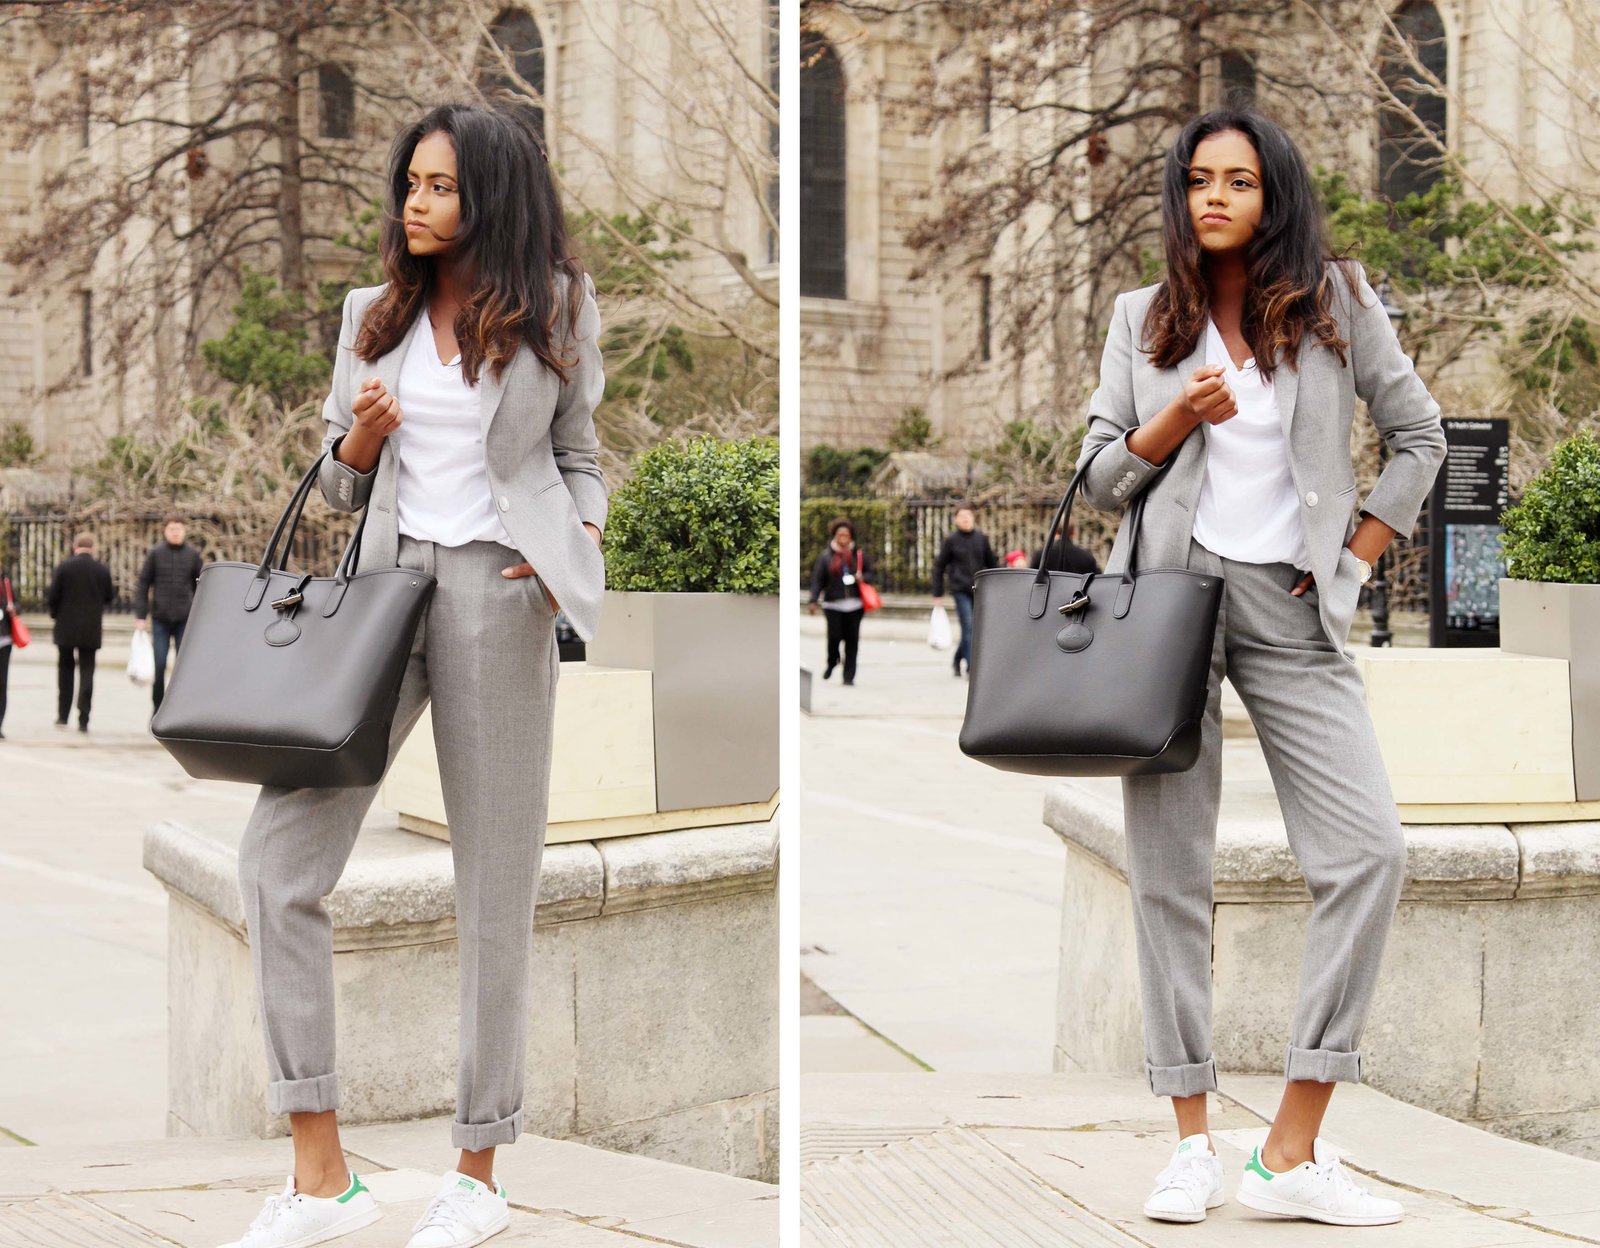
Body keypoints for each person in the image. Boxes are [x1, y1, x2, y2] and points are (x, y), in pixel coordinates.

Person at [225, 103, 608, 1248]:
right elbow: (338, 494)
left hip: (499, 592)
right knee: (274, 864)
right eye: (412, 184)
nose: (417, 202)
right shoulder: (368, 317)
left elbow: (581, 456)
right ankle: (320, 1170)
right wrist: (361, 438)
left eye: (441, 186)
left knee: (495, 891)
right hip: (382, 598)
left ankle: (478, 1172)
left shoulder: (556, 308)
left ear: (489, 194)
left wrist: (564, 556)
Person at [1075, 106, 1444, 1228]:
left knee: (1368, 850)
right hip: (1168, 613)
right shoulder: (1143, 318)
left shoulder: (1335, 304)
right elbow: (1094, 477)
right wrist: (1170, 419)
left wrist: (1351, 560)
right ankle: (1189, 1139)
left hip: (1290, 605)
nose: (1216, 197)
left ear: (1272, 194)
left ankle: (1290, 1146)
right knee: (1168, 874)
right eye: (1198, 180)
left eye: (1238, 179)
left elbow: (1418, 434)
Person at [133, 514, 204, 711]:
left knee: (183, 667)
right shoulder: (155, 553)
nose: (175, 532)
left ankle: (181, 708)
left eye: (178, 529)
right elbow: (143, 584)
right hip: (160, 619)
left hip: (184, 619)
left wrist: (199, 614)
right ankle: (158, 708)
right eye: (171, 529)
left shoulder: (192, 554)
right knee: (159, 663)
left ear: (184, 531)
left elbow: (201, 585)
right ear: (165, 531)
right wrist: (141, 615)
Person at [46, 532, 114, 733]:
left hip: (65, 626)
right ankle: (84, 717)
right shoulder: (101, 570)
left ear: (75, 547)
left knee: (65, 670)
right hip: (90, 627)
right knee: (87, 671)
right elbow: (110, 596)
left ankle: (62, 715)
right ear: (92, 548)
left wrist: (55, 614)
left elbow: (52, 596)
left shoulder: (64, 567)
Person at [931, 505, 997, 678]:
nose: (966, 519)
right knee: (968, 627)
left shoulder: (981, 539)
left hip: (979, 589)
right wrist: (937, 593)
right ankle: (970, 668)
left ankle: (957, 658)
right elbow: (939, 566)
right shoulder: (951, 540)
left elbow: (992, 564)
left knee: (974, 629)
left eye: (968, 515)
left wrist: (997, 586)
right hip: (960, 589)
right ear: (956, 519)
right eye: (962, 516)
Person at [807, 517, 871, 686]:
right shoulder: (825, 556)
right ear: (835, 535)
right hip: (832, 604)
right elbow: (817, 580)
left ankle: (849, 676)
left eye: (846, 535)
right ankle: (832, 661)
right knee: (834, 637)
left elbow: (871, 575)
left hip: (855, 605)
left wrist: (862, 577)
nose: (843, 538)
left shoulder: (858, 555)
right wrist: (813, 600)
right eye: (840, 535)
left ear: (851, 536)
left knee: (852, 641)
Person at [1032, 519, 1099, 576]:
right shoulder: (1086, 557)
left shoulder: (1041, 555)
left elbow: (1031, 577)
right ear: (1073, 532)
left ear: (1053, 531)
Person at [0, 565, 19, 739]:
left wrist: (12, 608)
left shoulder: (5, 582)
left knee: (2, 683)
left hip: (4, 639)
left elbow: (17, 602)